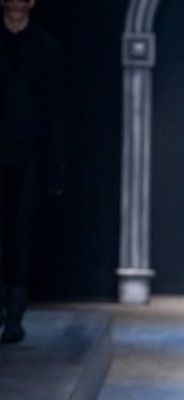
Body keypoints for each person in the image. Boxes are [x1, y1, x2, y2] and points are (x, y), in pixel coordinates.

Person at [0, 0, 65, 343]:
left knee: (21, 233)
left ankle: (15, 314)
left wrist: (55, 165)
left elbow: (53, 109)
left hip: (29, 155)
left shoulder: (46, 49)